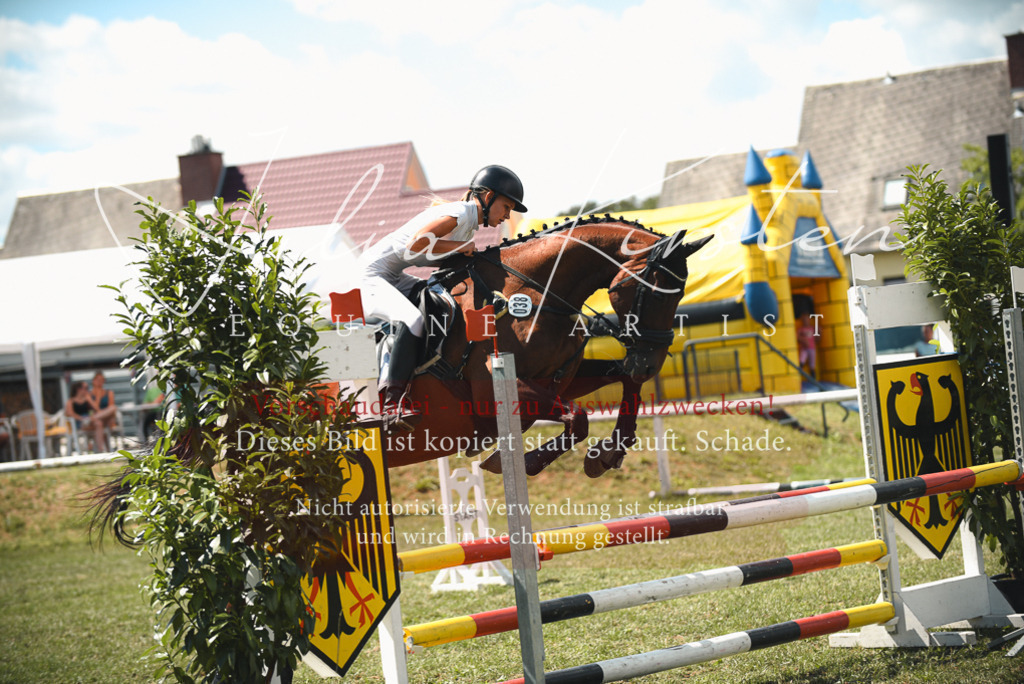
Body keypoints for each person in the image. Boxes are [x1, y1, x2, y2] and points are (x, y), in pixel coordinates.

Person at [355, 165, 527, 430]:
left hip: (395, 275)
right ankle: (392, 404)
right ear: (489, 196)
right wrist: (460, 247)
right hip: (369, 276)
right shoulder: (460, 214)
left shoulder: (468, 225)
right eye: (506, 207)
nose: (507, 215)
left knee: (434, 306)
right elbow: (415, 245)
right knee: (412, 319)